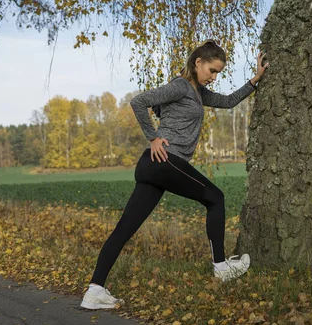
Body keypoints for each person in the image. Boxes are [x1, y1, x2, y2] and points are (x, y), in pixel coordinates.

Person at [80, 40, 269, 310]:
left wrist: (256, 78)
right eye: (212, 70)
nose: (214, 77)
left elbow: (228, 102)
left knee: (125, 228)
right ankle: (220, 267)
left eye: (218, 73)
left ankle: (94, 291)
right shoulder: (180, 86)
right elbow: (139, 101)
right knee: (215, 198)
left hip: (154, 167)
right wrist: (153, 137)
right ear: (198, 63)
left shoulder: (198, 93)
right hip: (164, 160)